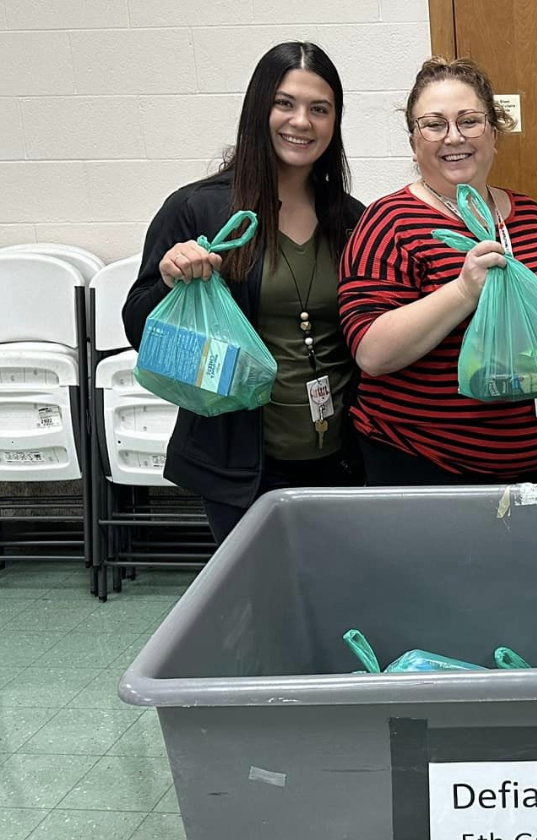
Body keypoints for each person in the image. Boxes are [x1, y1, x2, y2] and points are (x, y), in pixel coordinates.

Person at [123, 42, 366, 543]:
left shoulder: (351, 218)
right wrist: (170, 281)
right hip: (243, 467)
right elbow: (139, 329)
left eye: (319, 109)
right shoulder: (200, 209)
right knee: (264, 610)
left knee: (337, 603)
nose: (301, 121)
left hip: (342, 459)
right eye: (285, 103)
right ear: (259, 108)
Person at [338, 57, 537, 484]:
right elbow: (371, 352)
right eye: (434, 124)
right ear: (414, 141)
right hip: (427, 469)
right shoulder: (388, 220)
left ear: (494, 134)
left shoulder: (531, 215)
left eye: (470, 121)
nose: (454, 137)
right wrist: (463, 291)